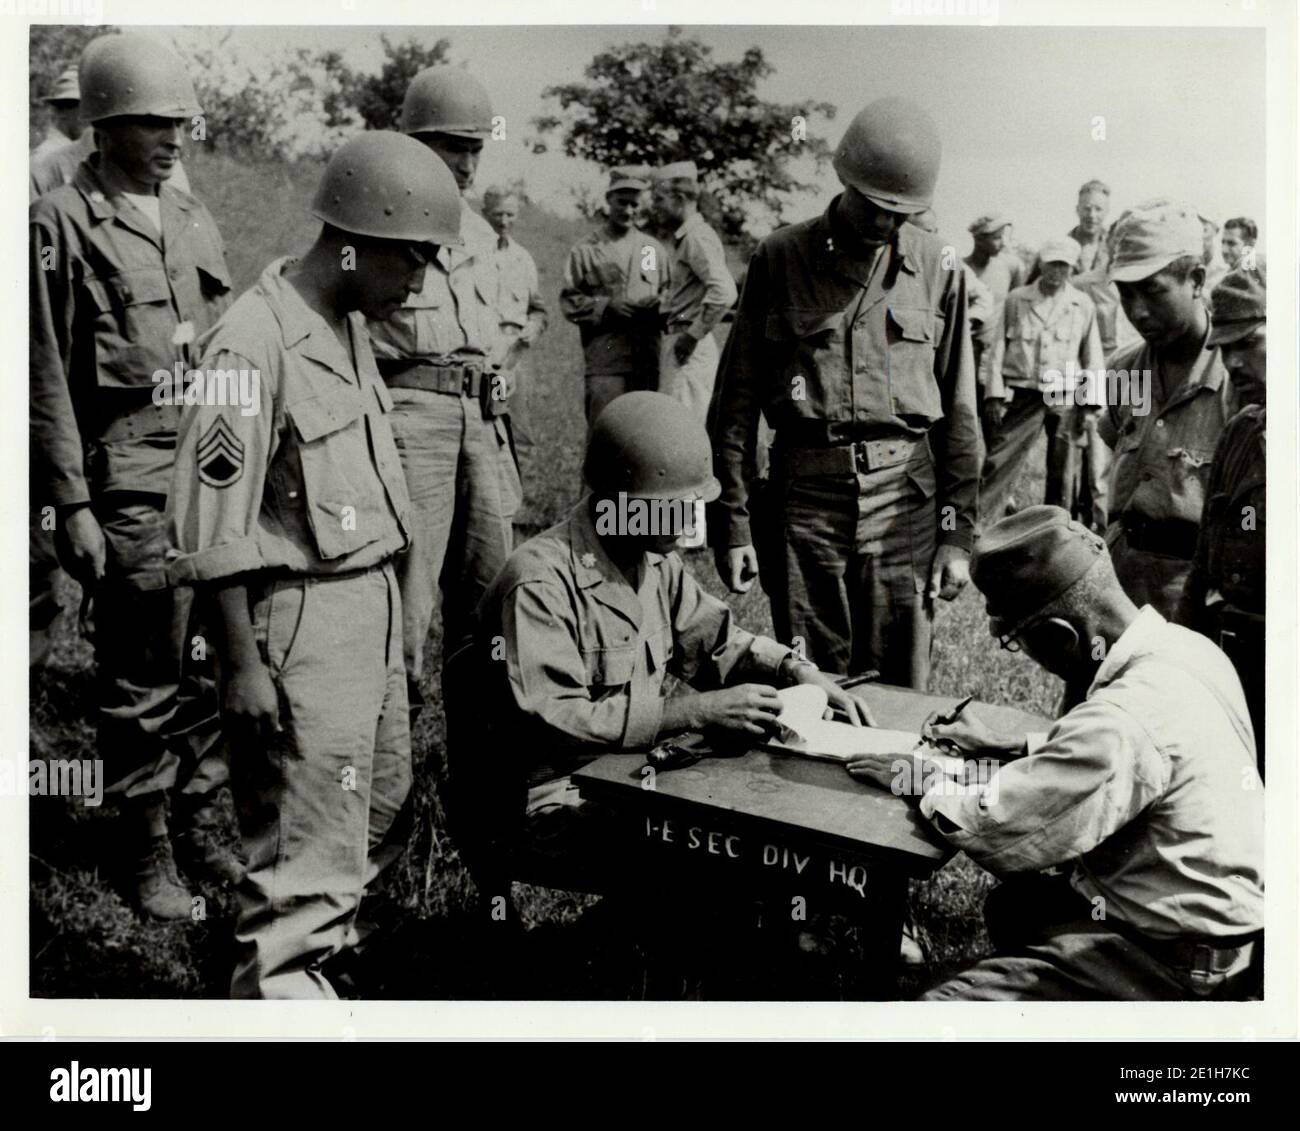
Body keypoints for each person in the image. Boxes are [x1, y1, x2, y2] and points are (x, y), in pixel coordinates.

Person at [167, 131, 461, 999]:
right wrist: (242, 669)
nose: (421, 279)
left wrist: (402, 618)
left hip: (364, 611)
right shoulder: (247, 345)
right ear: (350, 243)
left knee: (374, 815)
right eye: (411, 258)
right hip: (300, 624)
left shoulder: (347, 324)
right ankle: (279, 988)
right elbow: (210, 527)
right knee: (305, 848)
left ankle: (320, 972)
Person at [459, 391, 869, 897]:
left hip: (631, 773)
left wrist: (795, 671)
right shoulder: (539, 583)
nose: (688, 526)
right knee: (725, 839)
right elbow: (557, 722)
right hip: (550, 798)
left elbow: (718, 644)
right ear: (621, 503)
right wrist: (693, 713)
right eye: (672, 510)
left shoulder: (653, 559)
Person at [847, 506, 1263, 1000]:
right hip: (1214, 931)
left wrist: (923, 781)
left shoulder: (1121, 718)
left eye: (1017, 642)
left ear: (1063, 637)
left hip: (1166, 959)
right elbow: (1144, 757)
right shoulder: (1189, 651)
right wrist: (1016, 745)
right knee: (1018, 908)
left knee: (931, 1016)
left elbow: (997, 824)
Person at [30, 32, 236, 919]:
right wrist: (69, 502)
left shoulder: (190, 216)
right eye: (156, 125)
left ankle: (195, 816)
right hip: (127, 474)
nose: (175, 141)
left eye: (181, 126)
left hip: (211, 466)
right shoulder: (57, 224)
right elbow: (41, 372)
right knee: (142, 671)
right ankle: (142, 842)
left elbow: (225, 345)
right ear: (105, 126)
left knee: (218, 659)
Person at [711, 97, 981, 686]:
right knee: (814, 683)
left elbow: (960, 413)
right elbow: (735, 405)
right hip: (805, 502)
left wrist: (957, 534)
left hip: (905, 502)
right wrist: (730, 523)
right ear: (845, 180)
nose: (886, 223)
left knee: (904, 690)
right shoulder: (780, 258)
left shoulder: (940, 266)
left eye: (901, 213)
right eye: (876, 206)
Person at [367, 67, 521, 711]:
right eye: (452, 146)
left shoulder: (484, 236)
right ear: (414, 143)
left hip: (482, 422)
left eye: (475, 147)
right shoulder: (375, 217)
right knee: (404, 595)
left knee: (493, 600)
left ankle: (483, 761)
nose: (466, 162)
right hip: (411, 419)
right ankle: (388, 743)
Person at [1099, 199, 1233, 617]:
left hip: (1195, 597)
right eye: (1125, 293)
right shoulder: (1124, 369)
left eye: (1153, 291)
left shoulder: (1237, 377)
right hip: (1118, 586)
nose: (1137, 311)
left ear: (1195, 279)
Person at [1178, 267, 1266, 776]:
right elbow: (1201, 568)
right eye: (1224, 348)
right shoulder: (1240, 432)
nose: (1232, 362)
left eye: (1250, 343)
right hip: (1232, 668)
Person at [978, 236, 1105, 527]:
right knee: (1000, 458)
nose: (1057, 271)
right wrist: (994, 394)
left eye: (1064, 265)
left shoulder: (1081, 303)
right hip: (1025, 392)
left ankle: (1054, 529)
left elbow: (1093, 356)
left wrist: (1089, 404)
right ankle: (981, 525)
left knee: (1062, 468)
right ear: (1041, 263)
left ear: (1071, 268)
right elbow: (997, 348)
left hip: (1064, 394)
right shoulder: (1018, 299)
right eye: (1052, 264)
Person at [560, 166, 669, 427]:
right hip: (606, 364)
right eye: (622, 202)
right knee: (605, 436)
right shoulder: (586, 251)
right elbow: (569, 301)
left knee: (645, 440)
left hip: (646, 362)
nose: (628, 211)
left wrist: (658, 306)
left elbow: (669, 294)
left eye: (634, 204)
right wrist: (607, 307)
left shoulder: (651, 250)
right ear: (608, 199)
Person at [483, 185, 547, 458]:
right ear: (484, 213)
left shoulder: (523, 258)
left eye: (510, 214)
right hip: (486, 354)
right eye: (497, 214)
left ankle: (519, 496)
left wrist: (534, 327)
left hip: (515, 357)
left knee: (518, 431)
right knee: (488, 426)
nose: (504, 221)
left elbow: (539, 309)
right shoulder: (473, 255)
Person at [963, 213, 1025, 376]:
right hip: (966, 348)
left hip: (996, 349)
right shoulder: (961, 269)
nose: (1003, 243)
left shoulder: (1011, 266)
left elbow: (1018, 306)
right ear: (979, 239)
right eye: (996, 238)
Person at [32, 66, 83, 159]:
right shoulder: (47, 157)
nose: (90, 119)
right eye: (83, 108)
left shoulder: (76, 152)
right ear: (62, 111)